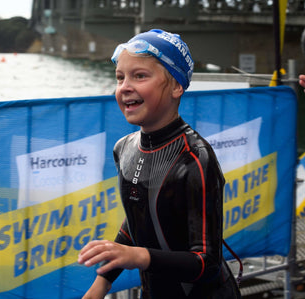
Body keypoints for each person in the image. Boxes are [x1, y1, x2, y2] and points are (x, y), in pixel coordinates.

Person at [78, 29, 241, 299]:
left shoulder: (195, 158)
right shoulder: (124, 148)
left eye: (139, 76)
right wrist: (101, 283)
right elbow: (138, 222)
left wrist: (139, 256)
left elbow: (207, 262)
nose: (125, 86)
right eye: (120, 78)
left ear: (177, 86)